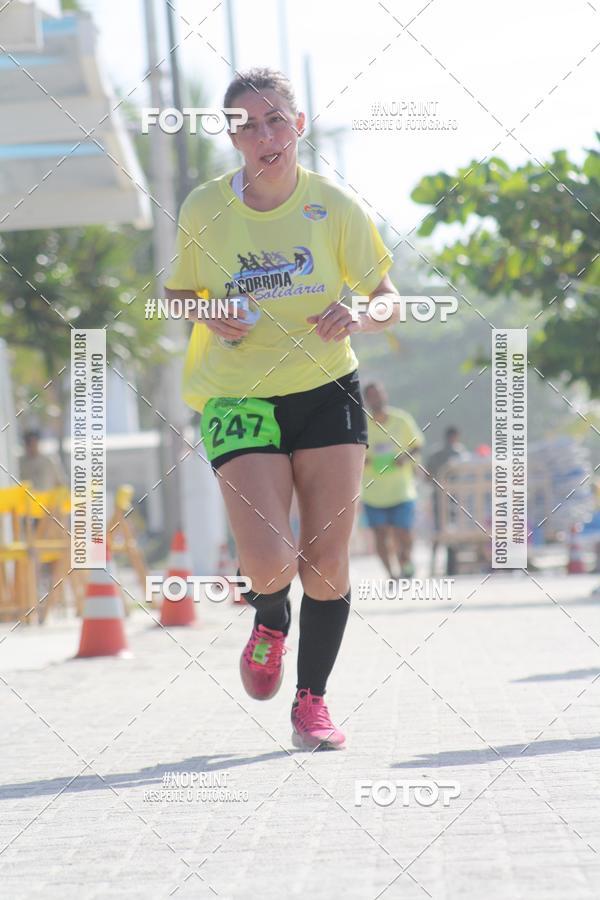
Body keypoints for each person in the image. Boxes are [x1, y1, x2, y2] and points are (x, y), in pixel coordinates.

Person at [164, 67, 399, 751]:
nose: (264, 135)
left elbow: (390, 300)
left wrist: (358, 313)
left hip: (326, 387)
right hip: (238, 394)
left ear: (298, 127)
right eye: (247, 124)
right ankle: (269, 617)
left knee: (326, 562)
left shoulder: (335, 205)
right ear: (232, 137)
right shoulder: (205, 208)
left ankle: (312, 702)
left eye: (276, 121)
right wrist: (210, 310)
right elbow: (178, 296)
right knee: (270, 562)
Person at [361, 382, 424, 579]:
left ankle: (406, 560)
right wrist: (364, 459)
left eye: (378, 394)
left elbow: (417, 445)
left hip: (402, 490)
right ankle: (391, 574)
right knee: (380, 535)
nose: (375, 398)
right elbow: (351, 451)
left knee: (403, 532)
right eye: (370, 395)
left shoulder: (401, 420)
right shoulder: (361, 423)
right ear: (366, 399)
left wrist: (405, 458)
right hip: (373, 492)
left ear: (384, 395)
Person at [425, 426, 469, 574]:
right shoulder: (460, 453)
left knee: (439, 530)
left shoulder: (435, 453)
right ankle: (451, 568)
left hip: (439, 497)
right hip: (456, 498)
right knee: (454, 530)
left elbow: (427, 476)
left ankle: (433, 567)